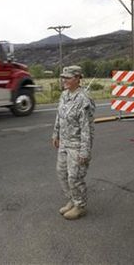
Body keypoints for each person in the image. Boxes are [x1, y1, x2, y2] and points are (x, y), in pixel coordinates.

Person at [52, 65, 95, 220]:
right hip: (64, 142)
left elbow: (87, 128)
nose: (64, 80)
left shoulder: (84, 99)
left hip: (77, 144)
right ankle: (72, 199)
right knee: (61, 173)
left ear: (77, 78)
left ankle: (80, 206)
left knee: (74, 177)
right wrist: (55, 133)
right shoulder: (64, 95)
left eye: (68, 77)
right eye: (63, 77)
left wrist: (85, 151)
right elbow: (59, 115)